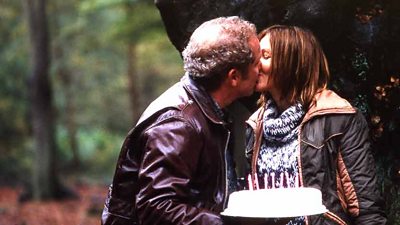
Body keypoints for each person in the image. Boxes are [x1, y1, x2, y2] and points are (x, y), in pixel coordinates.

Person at [101, 16, 261, 225]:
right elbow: (156, 208)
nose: (262, 69)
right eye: (257, 62)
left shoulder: (208, 109)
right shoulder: (179, 124)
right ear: (233, 77)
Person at [245, 25, 387, 224]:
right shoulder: (255, 125)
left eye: (265, 56)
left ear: (292, 64)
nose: (255, 64)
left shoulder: (338, 118)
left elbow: (366, 207)